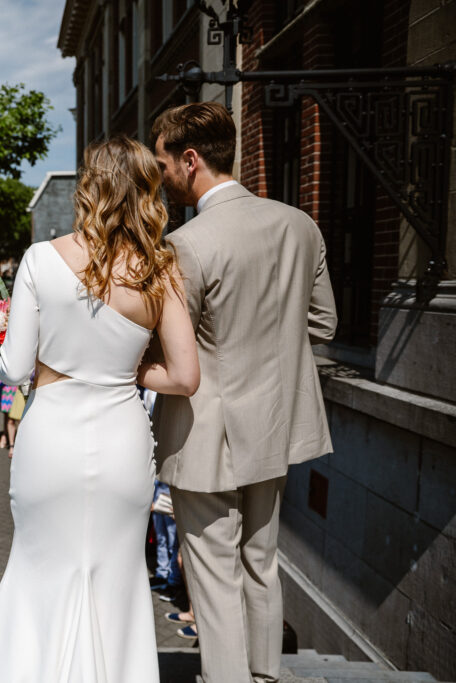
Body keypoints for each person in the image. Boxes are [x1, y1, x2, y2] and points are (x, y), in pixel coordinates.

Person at [0, 135, 200, 682]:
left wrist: (2, 344)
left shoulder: (41, 259)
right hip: (121, 441)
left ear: (89, 187)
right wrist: (124, 372)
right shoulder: (160, 269)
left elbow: (15, 369)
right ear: (147, 190)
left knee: (38, 569)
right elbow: (185, 377)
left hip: (52, 441)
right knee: (116, 579)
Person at [150, 101, 336, 683]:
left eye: (162, 164)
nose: (161, 178)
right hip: (275, 426)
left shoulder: (187, 242)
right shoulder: (300, 224)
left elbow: (176, 350)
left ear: (190, 159)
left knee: (214, 574)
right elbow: (324, 326)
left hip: (207, 432)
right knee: (261, 562)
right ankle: (264, 678)